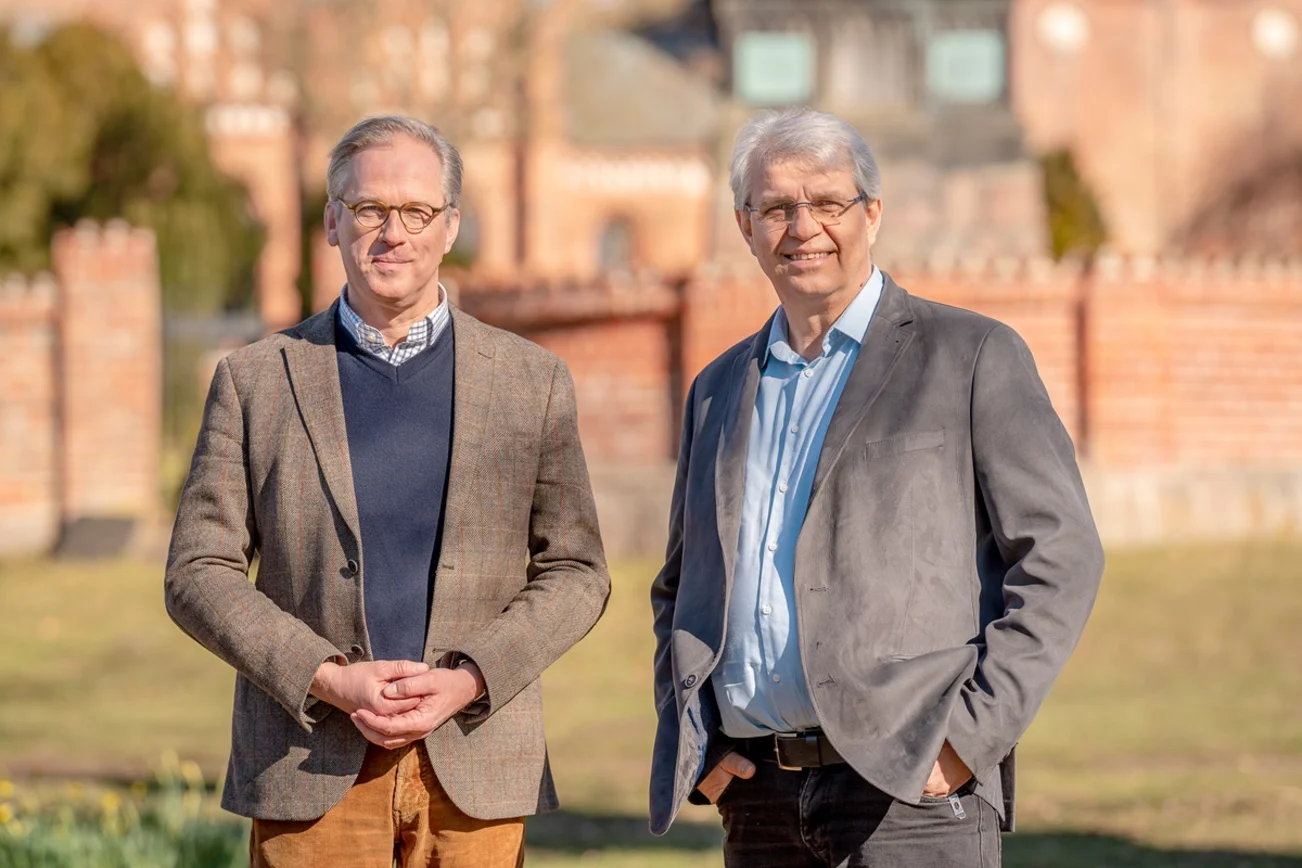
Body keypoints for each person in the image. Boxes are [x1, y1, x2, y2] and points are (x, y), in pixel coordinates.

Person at [648, 106, 1104, 867]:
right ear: (744, 224)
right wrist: (705, 750)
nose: (803, 228)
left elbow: (1062, 557)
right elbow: (681, 585)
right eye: (776, 208)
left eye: (828, 202)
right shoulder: (718, 389)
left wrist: (967, 740)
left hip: (912, 792)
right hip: (756, 796)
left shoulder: (970, 356)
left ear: (873, 213)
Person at [165, 114, 610, 867]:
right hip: (308, 765)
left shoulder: (530, 381)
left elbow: (577, 570)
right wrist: (325, 677)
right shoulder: (256, 381)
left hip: (475, 764)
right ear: (334, 222)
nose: (392, 233)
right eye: (369, 209)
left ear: (451, 225)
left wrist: (470, 677)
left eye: (416, 212)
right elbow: (196, 572)